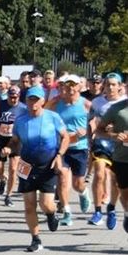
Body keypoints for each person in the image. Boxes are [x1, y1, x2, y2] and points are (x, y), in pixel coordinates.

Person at [8, 85, 69, 252]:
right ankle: (35, 239)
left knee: (46, 204)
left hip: (48, 165)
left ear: (43, 101)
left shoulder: (53, 117)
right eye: (30, 99)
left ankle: (51, 213)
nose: (32, 103)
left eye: (36, 99)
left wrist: (59, 156)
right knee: (29, 205)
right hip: (26, 166)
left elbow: (65, 137)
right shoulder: (20, 120)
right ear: (26, 100)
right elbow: (15, 140)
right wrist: (9, 147)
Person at [46, 74, 92, 225]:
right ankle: (66, 212)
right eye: (67, 85)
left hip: (79, 147)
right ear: (62, 87)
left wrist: (87, 130)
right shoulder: (57, 103)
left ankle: (83, 193)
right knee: (62, 179)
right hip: (62, 148)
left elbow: (97, 120)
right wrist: (52, 100)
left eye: (73, 85)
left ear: (79, 86)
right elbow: (43, 112)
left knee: (77, 183)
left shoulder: (85, 104)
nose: (70, 88)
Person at [90, 73, 125, 228]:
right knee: (99, 173)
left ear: (120, 87)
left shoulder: (124, 103)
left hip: (120, 148)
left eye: (113, 84)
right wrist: (87, 142)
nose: (110, 87)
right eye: (108, 84)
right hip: (102, 143)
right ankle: (97, 211)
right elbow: (92, 124)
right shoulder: (97, 102)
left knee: (115, 181)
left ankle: (111, 206)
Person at [0, 86, 25, 205]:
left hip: (15, 140)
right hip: (0, 139)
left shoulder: (23, 108)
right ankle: (2, 180)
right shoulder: (0, 105)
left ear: (19, 96)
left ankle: (8, 196)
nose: (13, 100)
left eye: (15, 97)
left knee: (13, 168)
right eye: (11, 97)